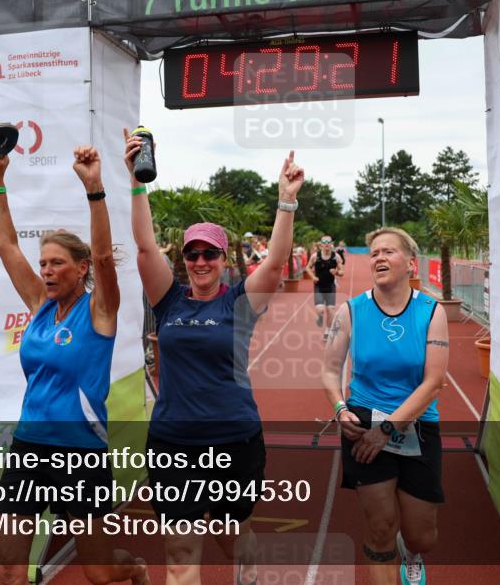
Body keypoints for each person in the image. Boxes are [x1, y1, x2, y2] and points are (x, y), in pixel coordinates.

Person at [125, 127, 304, 585]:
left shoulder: (239, 303)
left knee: (231, 535)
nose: (200, 261)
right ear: (183, 259)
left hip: (233, 440)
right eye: (192, 254)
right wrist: (136, 181)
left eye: (209, 254)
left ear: (224, 260)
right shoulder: (169, 301)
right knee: (179, 549)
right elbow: (145, 247)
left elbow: (278, 262)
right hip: (173, 443)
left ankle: (251, 573)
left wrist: (286, 201)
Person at [0, 148, 148, 585]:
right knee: (6, 571)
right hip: (29, 449)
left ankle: (134, 568)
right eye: (43, 264)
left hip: (81, 456)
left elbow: (103, 258)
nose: (47, 270)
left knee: (99, 572)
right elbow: (5, 246)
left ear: (80, 269)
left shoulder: (100, 311)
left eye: (57, 263)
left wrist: (93, 188)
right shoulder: (40, 304)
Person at [322, 227, 449, 585]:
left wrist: (389, 428)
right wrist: (339, 408)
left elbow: (434, 382)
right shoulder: (350, 311)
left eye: (388, 251)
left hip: (417, 423)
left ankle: (411, 552)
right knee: (379, 528)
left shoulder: (430, 311)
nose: (379, 257)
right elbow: (330, 370)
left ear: (410, 263)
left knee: (423, 535)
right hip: (363, 421)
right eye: (375, 252)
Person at [307, 235, 344, 341]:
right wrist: (313, 277)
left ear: (331, 244)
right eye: (324, 242)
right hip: (319, 287)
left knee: (331, 310)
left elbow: (342, 272)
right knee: (320, 310)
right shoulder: (315, 256)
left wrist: (337, 272)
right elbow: (308, 268)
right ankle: (319, 316)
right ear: (321, 245)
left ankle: (327, 331)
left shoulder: (336, 257)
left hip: (330, 287)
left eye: (329, 242)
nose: (327, 244)